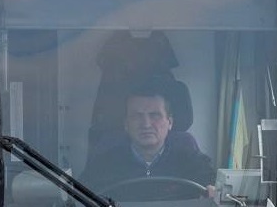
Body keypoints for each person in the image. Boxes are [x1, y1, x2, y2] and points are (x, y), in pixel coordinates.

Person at [81, 79, 215, 191]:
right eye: (137, 116)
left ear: (170, 122)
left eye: (155, 115)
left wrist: (212, 189)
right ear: (126, 124)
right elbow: (80, 200)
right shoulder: (104, 163)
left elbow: (215, 187)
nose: (146, 124)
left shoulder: (189, 156)